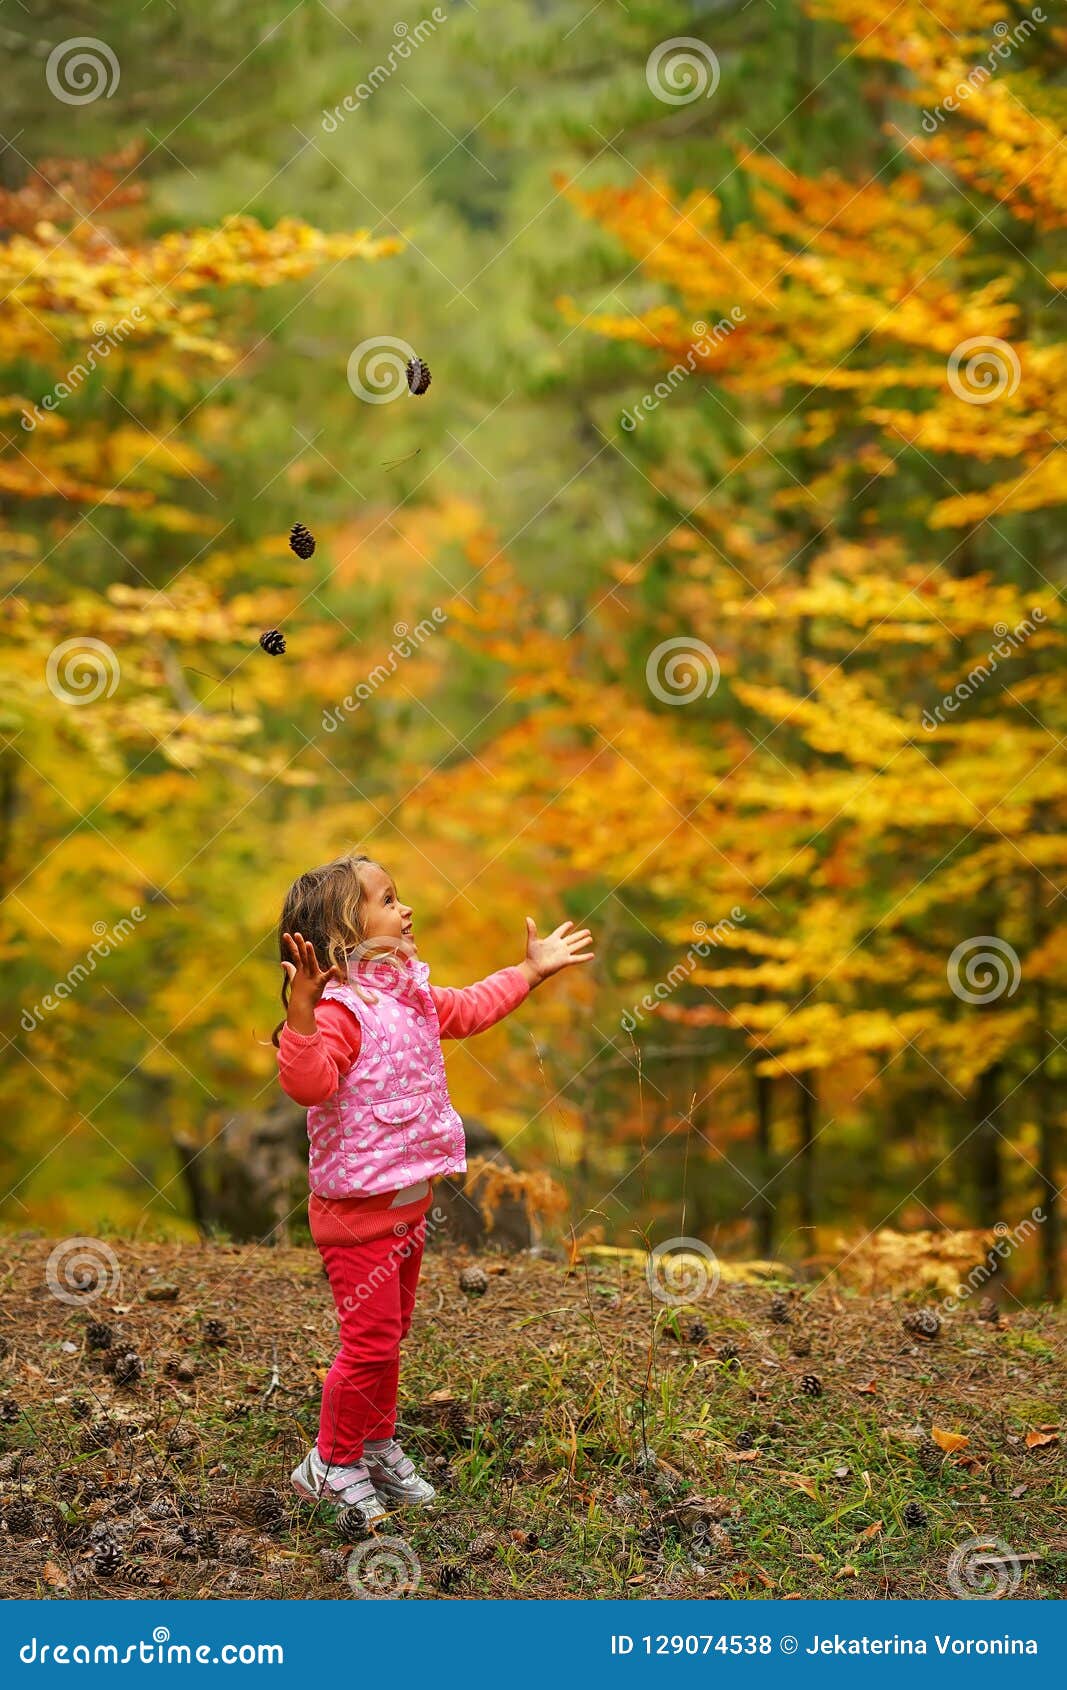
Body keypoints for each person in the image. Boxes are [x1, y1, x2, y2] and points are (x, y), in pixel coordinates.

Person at [273, 851, 593, 1521]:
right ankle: (329, 1465)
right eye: (387, 900)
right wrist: (300, 1012)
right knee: (367, 1344)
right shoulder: (339, 1013)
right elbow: (308, 1083)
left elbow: (472, 1007)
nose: (405, 908)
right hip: (356, 1217)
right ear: (344, 934)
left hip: (406, 1209)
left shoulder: (406, 995)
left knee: (389, 1339)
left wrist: (530, 971)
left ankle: (376, 1444)